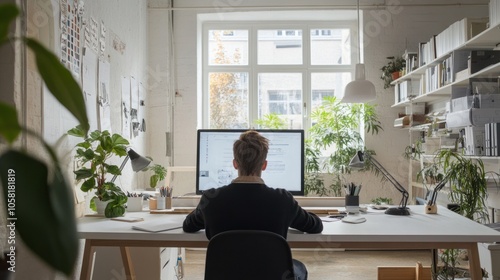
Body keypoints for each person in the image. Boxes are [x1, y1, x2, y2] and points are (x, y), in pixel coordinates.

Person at [183, 130, 323, 279]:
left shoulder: (211, 199)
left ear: (235, 163)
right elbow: (315, 226)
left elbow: (188, 225)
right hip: (270, 275)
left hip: (225, 274)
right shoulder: (283, 200)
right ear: (264, 165)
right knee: (298, 267)